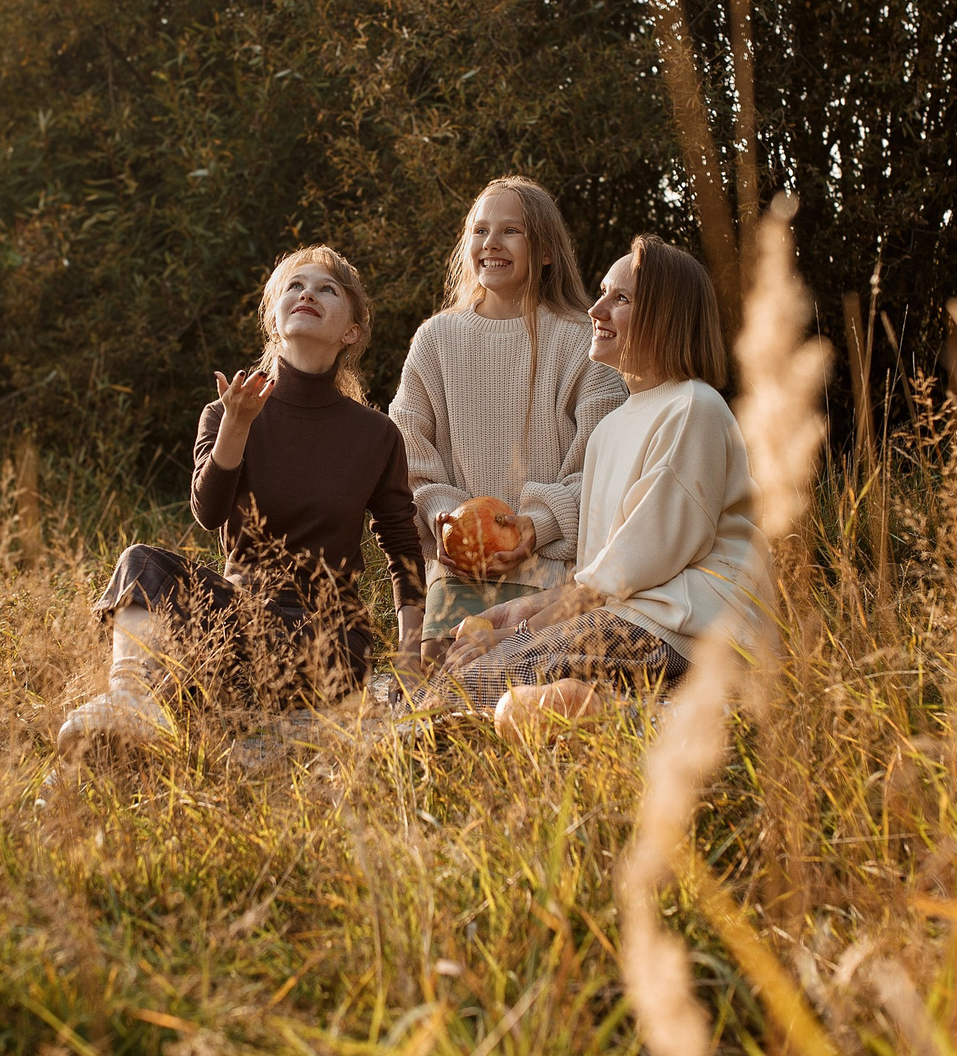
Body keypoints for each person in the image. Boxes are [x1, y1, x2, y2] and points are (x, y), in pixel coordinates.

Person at [58, 247, 426, 752]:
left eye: (327, 289)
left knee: (194, 682)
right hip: (240, 613)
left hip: (328, 637)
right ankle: (128, 698)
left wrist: (410, 650)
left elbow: (401, 542)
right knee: (140, 561)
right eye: (294, 286)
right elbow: (208, 514)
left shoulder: (376, 434)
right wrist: (236, 427)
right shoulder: (226, 411)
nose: (307, 294)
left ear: (352, 332)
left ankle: (151, 714)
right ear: (274, 319)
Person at [438, 235, 769, 740]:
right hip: (630, 621)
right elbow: (601, 574)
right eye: (601, 293)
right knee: (451, 679)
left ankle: (664, 716)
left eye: (621, 299)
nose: (596, 310)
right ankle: (614, 713)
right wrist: (517, 612)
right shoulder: (611, 430)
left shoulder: (693, 408)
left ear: (667, 317)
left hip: (683, 630)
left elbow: (636, 564)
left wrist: (523, 626)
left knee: (475, 682)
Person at [389, 177, 626, 653]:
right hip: (457, 568)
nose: (491, 243)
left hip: (556, 570)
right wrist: (447, 522)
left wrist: (534, 525)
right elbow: (406, 448)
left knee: (525, 690)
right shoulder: (437, 340)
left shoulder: (582, 340)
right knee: (444, 686)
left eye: (511, 231)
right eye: (480, 230)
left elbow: (604, 467)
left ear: (544, 251)